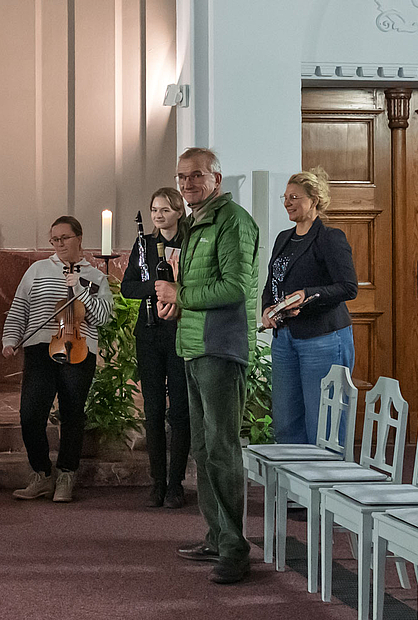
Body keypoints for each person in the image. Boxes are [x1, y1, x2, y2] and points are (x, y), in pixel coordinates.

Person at [155, 147, 259, 584]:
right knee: (202, 447)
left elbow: (234, 287)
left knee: (221, 449)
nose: (187, 183)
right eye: (182, 177)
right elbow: (200, 288)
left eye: (196, 176)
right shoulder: (199, 222)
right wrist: (179, 309)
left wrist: (180, 297)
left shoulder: (232, 221)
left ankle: (235, 550)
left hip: (221, 348)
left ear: (216, 178)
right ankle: (217, 535)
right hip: (195, 346)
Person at [2, 216, 113, 503]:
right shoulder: (38, 270)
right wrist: (10, 339)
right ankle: (42, 474)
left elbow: (103, 317)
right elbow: (20, 308)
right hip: (40, 347)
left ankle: (67, 474)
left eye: (65, 238)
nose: (60, 244)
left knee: (72, 414)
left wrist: (79, 290)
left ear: (79, 238)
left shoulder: (95, 276)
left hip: (79, 349)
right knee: (30, 415)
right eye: (55, 239)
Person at [261, 170, 357, 445]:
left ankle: (328, 485)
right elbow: (273, 281)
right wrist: (268, 309)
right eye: (286, 197)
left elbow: (348, 287)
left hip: (323, 338)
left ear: (314, 200)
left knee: (324, 424)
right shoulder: (283, 238)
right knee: (286, 421)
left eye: (295, 197)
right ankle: (293, 487)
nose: (288, 203)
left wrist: (308, 294)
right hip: (285, 339)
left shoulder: (330, 238)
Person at [121, 188, 190, 509]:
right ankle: (156, 482)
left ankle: (176, 484)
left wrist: (177, 288)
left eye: (165, 209)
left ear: (179, 212)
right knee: (152, 409)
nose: (158, 215)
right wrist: (157, 285)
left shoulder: (191, 243)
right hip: (149, 332)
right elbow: (128, 286)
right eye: (154, 210)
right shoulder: (144, 244)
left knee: (179, 410)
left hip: (180, 331)